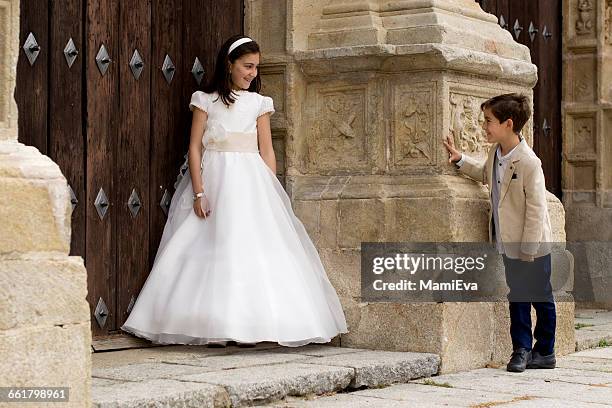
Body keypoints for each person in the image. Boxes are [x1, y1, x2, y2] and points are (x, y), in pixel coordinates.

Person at [121, 35, 348, 348]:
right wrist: (199, 192)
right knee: (212, 243)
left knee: (251, 248)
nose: (253, 73)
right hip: (215, 179)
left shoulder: (258, 103)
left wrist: (268, 192)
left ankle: (254, 323)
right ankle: (209, 321)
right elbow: (195, 147)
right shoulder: (205, 100)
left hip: (250, 179)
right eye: (247, 66)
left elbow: (267, 150)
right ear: (229, 64)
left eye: (256, 67)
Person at [443, 93, 556, 372]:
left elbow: (536, 209)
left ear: (508, 124)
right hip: (508, 242)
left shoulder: (530, 163)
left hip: (532, 245)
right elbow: (486, 174)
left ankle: (545, 351)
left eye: (488, 121)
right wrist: (460, 159)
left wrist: (528, 250)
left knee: (541, 297)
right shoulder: (496, 152)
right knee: (517, 295)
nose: (484, 126)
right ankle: (520, 349)